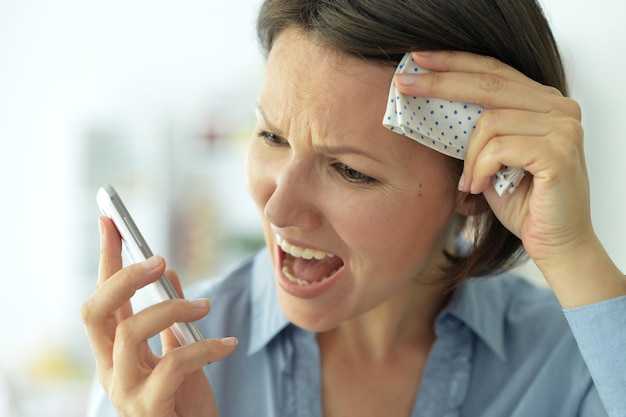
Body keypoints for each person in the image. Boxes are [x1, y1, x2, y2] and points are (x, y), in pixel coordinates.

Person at [82, 0, 626, 416]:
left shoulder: (573, 363)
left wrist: (572, 251)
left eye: (351, 170)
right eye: (271, 136)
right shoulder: (157, 372)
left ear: (473, 182)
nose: (277, 210)